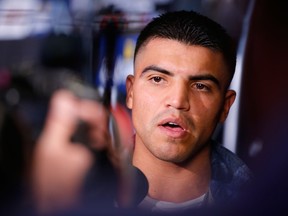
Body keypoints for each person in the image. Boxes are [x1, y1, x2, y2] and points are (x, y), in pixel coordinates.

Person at [30, 10, 252, 215]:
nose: (177, 101)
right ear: (130, 93)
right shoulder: (76, 193)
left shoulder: (262, 201)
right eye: (158, 79)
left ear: (225, 106)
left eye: (200, 86)